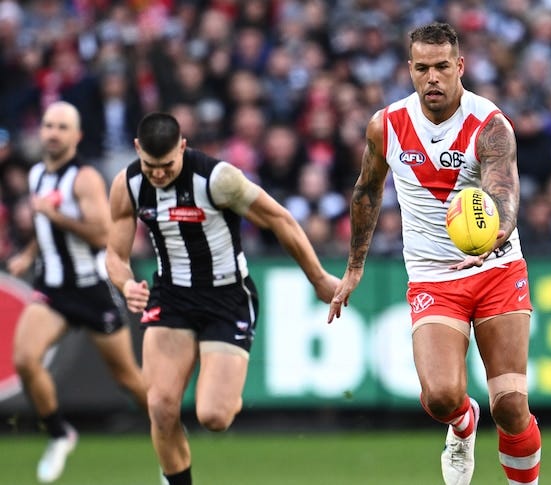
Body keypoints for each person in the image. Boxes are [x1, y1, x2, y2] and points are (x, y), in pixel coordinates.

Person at [327, 22, 542, 485]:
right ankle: (463, 425)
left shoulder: (489, 124)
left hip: (497, 269)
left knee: (510, 404)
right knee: (442, 396)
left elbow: (503, 192)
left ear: (460, 65)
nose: (433, 78)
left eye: (442, 67)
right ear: (409, 69)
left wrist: (496, 237)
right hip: (433, 277)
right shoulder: (387, 126)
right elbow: (367, 189)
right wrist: (354, 266)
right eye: (422, 68)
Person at [105, 112, 339, 485]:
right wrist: (126, 284)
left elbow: (279, 219)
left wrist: (318, 278)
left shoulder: (217, 179)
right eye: (151, 166)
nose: (159, 174)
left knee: (214, 417)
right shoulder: (128, 183)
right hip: (171, 297)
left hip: (227, 296)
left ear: (183, 147)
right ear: (137, 150)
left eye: (167, 165)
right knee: (160, 407)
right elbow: (115, 255)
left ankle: (226, 391)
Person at [6, 101, 148, 483]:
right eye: (48, 125)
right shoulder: (37, 174)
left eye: (61, 127)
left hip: (91, 289)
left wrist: (55, 217)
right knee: (24, 360)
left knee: (127, 378)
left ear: (76, 136)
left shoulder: (83, 178)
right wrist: (30, 253)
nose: (52, 133)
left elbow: (103, 234)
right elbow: (45, 227)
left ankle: (167, 431)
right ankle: (59, 433)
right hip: (53, 288)